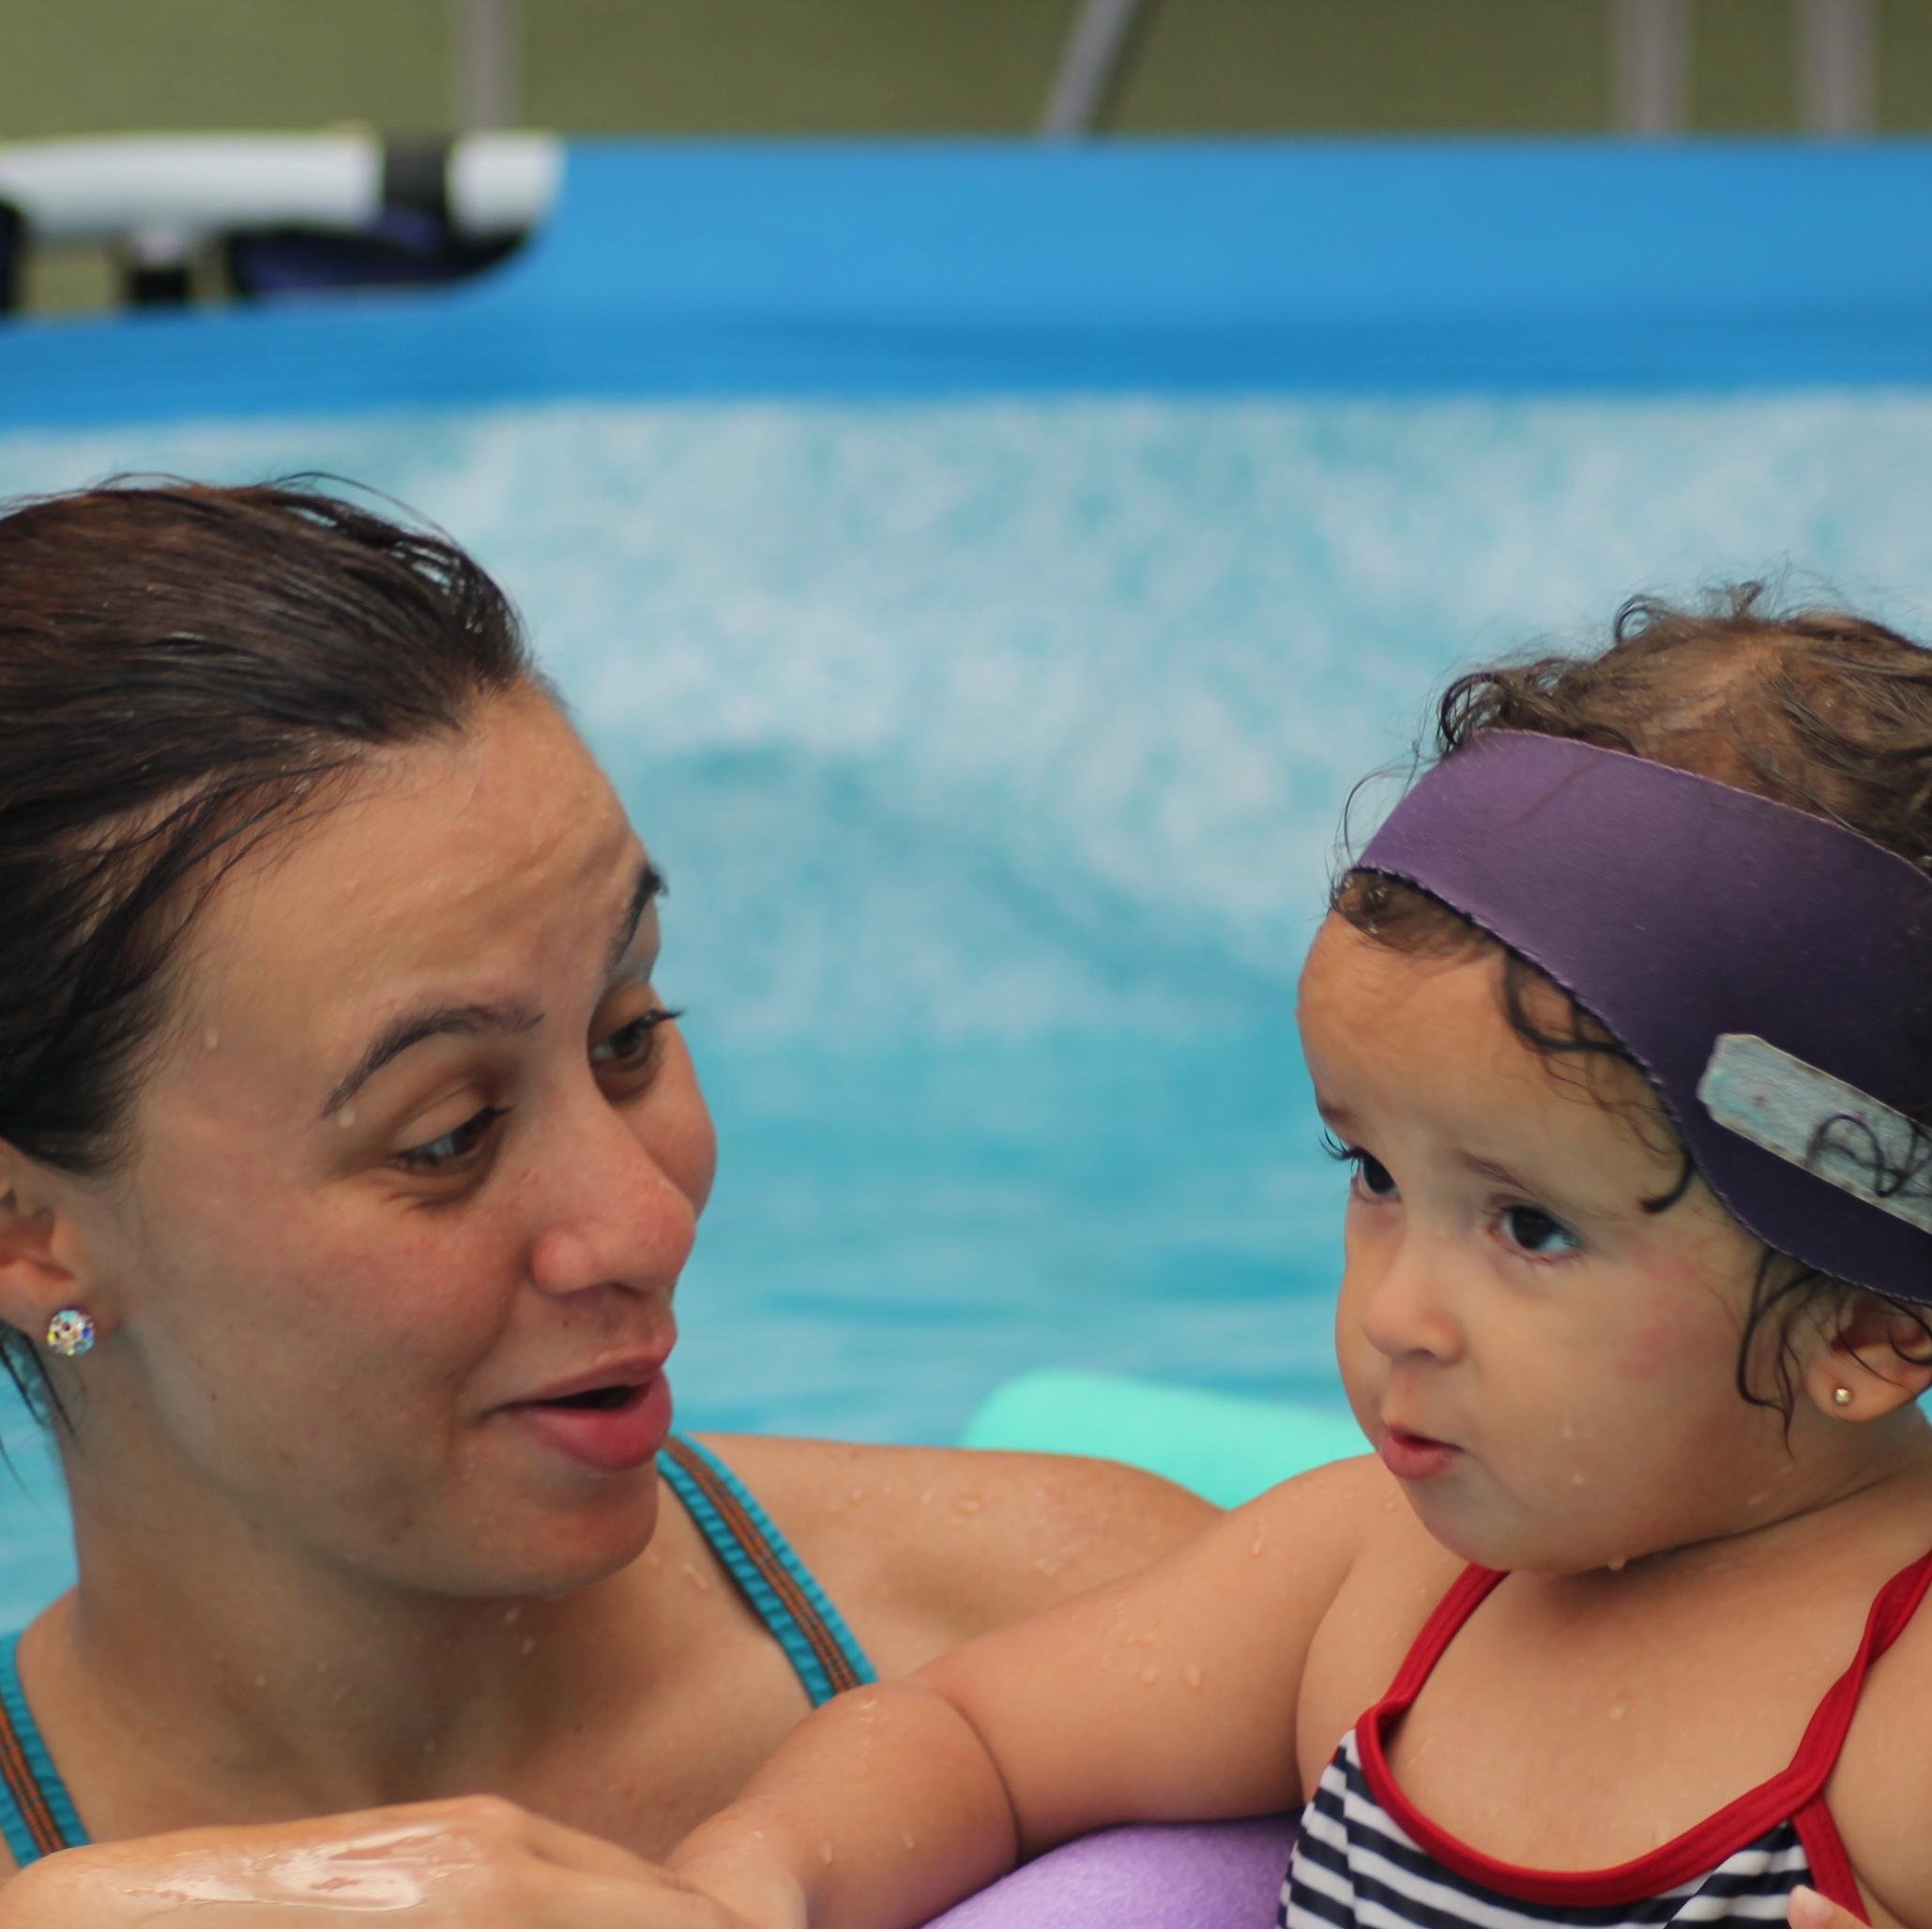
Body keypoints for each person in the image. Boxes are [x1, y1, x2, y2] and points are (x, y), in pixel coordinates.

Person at [0, 478, 1211, 1925]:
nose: (645, 1224)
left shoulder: (1101, 1635)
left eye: (629, 1034)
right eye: (447, 1137)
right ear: (32, 1237)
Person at [622, 592, 1932, 1929]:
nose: (1398, 1315)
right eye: (1373, 1177)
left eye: (1530, 1227)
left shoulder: (1905, 1708)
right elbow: (969, 1737)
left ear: (1868, 1324)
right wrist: (753, 1880)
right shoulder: (1378, 1580)